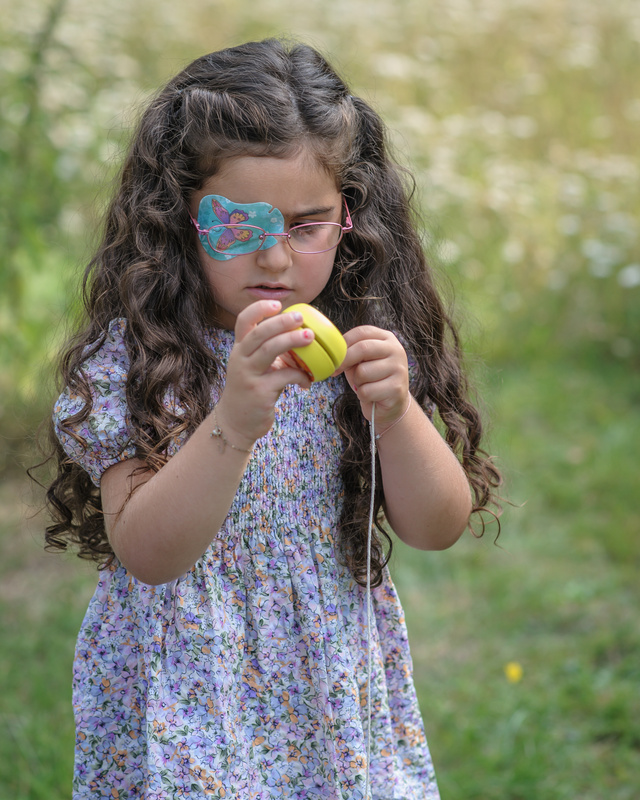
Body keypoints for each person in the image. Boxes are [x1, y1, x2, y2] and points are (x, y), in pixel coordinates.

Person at [42, 38, 501, 799]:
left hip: (324, 680)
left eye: (305, 225)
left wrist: (395, 412)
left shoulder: (358, 344)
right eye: (238, 227)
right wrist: (233, 419)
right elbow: (149, 554)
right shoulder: (136, 359)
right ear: (179, 218)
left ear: (349, 216)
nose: (276, 260)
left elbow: (435, 526)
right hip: (186, 684)